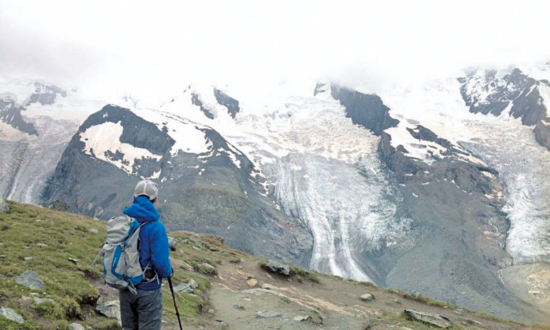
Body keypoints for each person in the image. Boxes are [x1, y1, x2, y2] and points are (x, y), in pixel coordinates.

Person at [119, 179, 173, 330]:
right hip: (148, 288)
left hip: (125, 285)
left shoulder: (123, 221)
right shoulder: (156, 227)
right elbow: (161, 262)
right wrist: (169, 273)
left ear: (134, 196)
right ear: (155, 199)